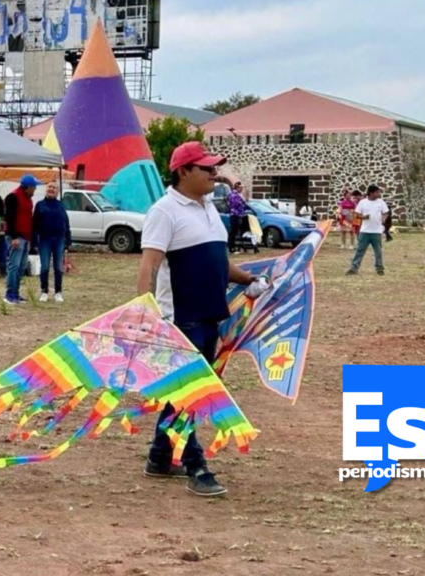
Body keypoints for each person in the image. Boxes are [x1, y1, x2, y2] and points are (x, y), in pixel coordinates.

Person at [136, 141, 270, 497]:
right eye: (206, 168)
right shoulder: (165, 211)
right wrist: (144, 311)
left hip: (211, 316)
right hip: (180, 321)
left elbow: (218, 262)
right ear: (183, 172)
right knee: (191, 393)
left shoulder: (209, 209)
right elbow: (149, 264)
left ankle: (159, 457)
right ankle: (196, 464)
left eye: (214, 168)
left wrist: (249, 280)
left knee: (182, 393)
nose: (214, 174)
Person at [33, 183, 71, 303]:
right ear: (46, 189)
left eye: (54, 187)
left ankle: (58, 292)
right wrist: (34, 241)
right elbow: (34, 225)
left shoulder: (61, 205)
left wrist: (68, 240)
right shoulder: (39, 205)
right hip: (44, 239)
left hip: (59, 239)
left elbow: (66, 223)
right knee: (44, 267)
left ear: (58, 191)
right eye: (49, 187)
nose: (51, 189)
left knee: (58, 267)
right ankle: (44, 291)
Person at [3, 175, 38, 305]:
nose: (35, 190)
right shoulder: (13, 197)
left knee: (22, 266)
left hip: (26, 237)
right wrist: (14, 237)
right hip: (16, 237)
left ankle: (16, 292)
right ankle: (10, 293)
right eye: (34, 187)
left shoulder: (29, 199)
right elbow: (9, 218)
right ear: (28, 187)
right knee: (14, 265)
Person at [347, 185, 390, 276]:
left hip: (376, 231)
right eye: (377, 192)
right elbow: (357, 214)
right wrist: (363, 217)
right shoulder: (363, 202)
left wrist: (384, 218)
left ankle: (379, 268)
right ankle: (354, 268)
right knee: (360, 250)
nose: (378, 194)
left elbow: (386, 212)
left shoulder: (380, 202)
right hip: (365, 231)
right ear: (371, 193)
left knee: (378, 251)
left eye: (379, 192)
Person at [227, 183, 247, 254]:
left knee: (235, 232)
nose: (242, 189)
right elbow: (236, 204)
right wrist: (242, 201)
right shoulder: (233, 195)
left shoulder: (239, 195)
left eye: (242, 187)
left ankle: (233, 247)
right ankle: (231, 248)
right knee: (233, 232)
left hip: (239, 215)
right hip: (235, 215)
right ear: (237, 187)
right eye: (240, 187)